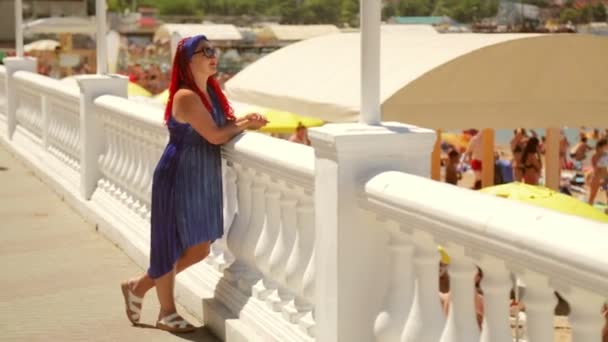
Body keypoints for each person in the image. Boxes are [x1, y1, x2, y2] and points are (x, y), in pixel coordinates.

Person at [120, 35, 267, 333]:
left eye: (214, 50)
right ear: (188, 61)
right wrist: (245, 123)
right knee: (171, 244)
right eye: (205, 51)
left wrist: (241, 120)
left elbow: (216, 129)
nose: (213, 55)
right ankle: (166, 312)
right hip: (179, 174)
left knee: (200, 248)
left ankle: (138, 286)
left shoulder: (211, 94)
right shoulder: (185, 96)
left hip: (201, 175)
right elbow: (214, 135)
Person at [588, 138, 608, 205]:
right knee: (592, 196)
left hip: (604, 178)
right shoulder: (595, 155)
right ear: (602, 146)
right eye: (606, 145)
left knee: (606, 195)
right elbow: (595, 168)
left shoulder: (605, 155)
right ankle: (588, 210)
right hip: (598, 178)